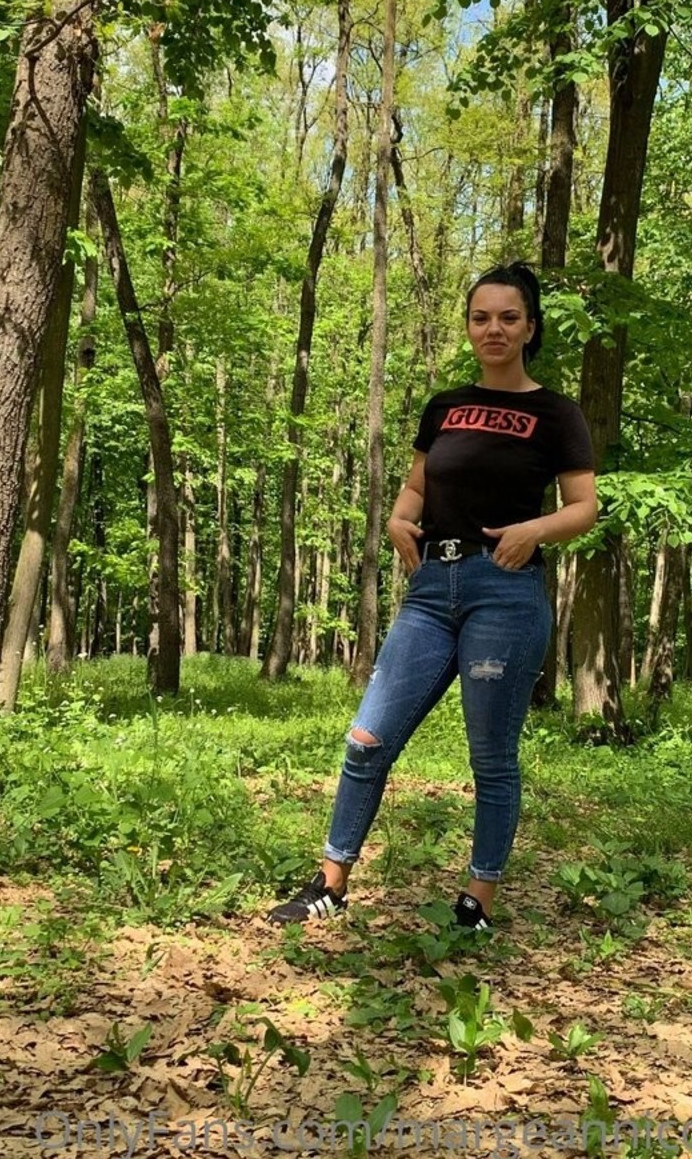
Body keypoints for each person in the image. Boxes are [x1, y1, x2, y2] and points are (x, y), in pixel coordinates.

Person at [268, 261, 597, 930]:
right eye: (481, 317)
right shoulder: (444, 406)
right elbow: (418, 487)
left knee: (491, 756)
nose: (494, 328)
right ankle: (330, 883)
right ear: (469, 327)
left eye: (508, 317)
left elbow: (583, 506)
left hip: (504, 591)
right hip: (430, 591)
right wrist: (397, 519)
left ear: (530, 327)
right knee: (367, 738)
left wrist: (534, 530)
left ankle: (477, 901)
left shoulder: (556, 413)